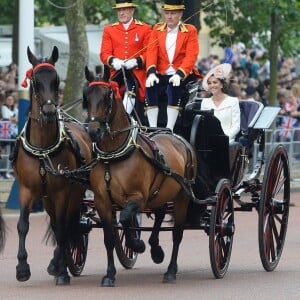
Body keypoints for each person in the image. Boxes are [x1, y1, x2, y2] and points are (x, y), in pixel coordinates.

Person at [145, 0, 201, 131]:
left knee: (173, 88)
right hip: (161, 73)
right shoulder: (156, 30)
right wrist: (151, 73)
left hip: (181, 74)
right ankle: (152, 128)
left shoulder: (190, 31)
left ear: (180, 14)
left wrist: (180, 74)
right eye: (167, 13)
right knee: (150, 88)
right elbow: (151, 52)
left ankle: (169, 128)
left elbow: (191, 55)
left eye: (173, 13)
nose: (169, 16)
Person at [100, 0, 151, 121]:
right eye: (119, 10)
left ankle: (123, 119)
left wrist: (136, 61)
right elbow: (104, 53)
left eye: (124, 10)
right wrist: (113, 61)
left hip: (136, 74)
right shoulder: (109, 30)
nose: (121, 13)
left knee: (131, 88)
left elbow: (150, 52)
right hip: (116, 72)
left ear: (132, 10)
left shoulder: (145, 28)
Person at [201, 63, 241, 143]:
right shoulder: (205, 102)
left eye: (215, 82)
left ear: (222, 85)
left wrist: (224, 138)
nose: (212, 85)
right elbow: (203, 125)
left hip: (228, 140)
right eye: (209, 83)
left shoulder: (233, 101)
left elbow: (236, 126)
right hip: (209, 140)